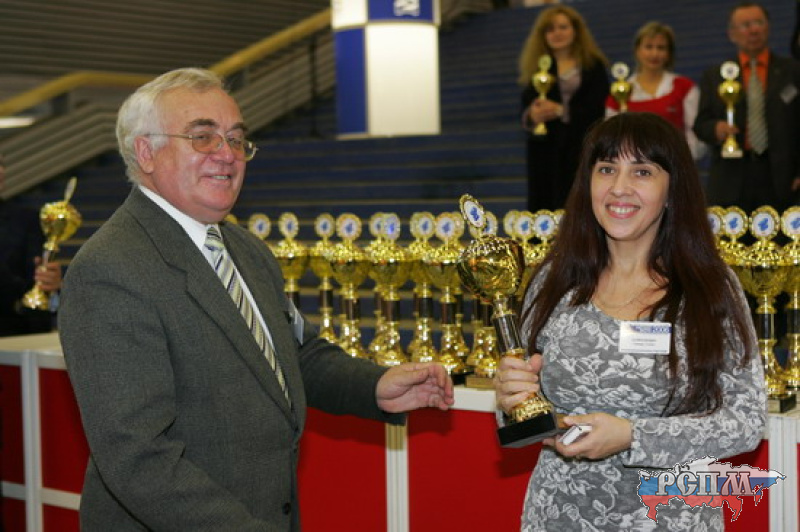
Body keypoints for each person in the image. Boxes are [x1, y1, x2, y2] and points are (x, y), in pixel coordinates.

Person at [58, 68, 454, 531]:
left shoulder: (243, 248)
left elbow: (295, 354)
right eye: (202, 137)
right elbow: (138, 457)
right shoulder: (111, 268)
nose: (227, 154)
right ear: (146, 153)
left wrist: (374, 385)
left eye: (235, 139)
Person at [496, 113, 766, 530]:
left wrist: (633, 436)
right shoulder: (554, 279)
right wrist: (510, 399)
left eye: (642, 171)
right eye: (606, 169)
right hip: (558, 516)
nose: (619, 187)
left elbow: (746, 421)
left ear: (672, 189)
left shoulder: (710, 287)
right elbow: (524, 413)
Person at [693, 2, 800, 213]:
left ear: (768, 27)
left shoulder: (793, 72)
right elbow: (701, 124)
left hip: (783, 180)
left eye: (758, 22)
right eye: (745, 25)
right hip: (730, 179)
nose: (753, 30)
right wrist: (716, 128)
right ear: (731, 34)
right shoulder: (715, 75)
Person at [518, 5, 609, 212]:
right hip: (544, 151)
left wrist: (562, 111)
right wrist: (532, 116)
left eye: (563, 27)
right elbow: (526, 107)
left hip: (581, 147)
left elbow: (598, 108)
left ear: (575, 30)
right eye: (550, 29)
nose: (557, 33)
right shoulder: (536, 68)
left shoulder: (593, 66)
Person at [605, 21, 706, 161]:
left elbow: (695, 133)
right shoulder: (620, 91)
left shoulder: (685, 88)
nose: (654, 54)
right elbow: (610, 136)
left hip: (674, 164)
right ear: (637, 51)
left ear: (669, 53)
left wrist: (683, 161)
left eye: (661, 48)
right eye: (649, 47)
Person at [0, 154, 62, 337]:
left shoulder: (26, 220)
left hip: (11, 338)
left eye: (1, 163)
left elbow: (37, 289)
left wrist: (52, 288)